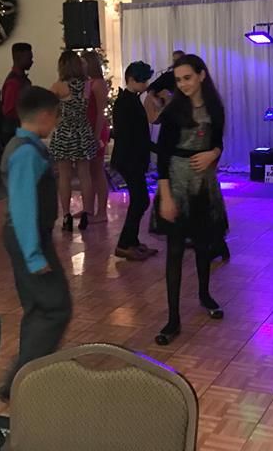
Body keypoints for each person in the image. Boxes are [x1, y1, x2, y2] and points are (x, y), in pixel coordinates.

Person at [0, 86, 72, 402]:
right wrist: (34, 255)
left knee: (38, 307)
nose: (56, 122)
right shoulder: (26, 153)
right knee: (55, 307)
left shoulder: (25, 146)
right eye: (55, 116)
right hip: (27, 238)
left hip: (27, 237)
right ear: (44, 115)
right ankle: (21, 381)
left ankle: (26, 379)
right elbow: (23, 206)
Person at [154, 54, 228, 346]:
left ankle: (205, 294)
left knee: (203, 244)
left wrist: (213, 153)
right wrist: (166, 197)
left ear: (201, 76)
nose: (183, 84)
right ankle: (173, 318)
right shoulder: (173, 111)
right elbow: (162, 157)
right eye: (179, 80)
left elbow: (219, 142)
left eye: (187, 78)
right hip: (177, 184)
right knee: (174, 251)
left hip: (204, 185)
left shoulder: (215, 107)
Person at [111, 61, 158, 262]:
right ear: (131, 79)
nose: (145, 85)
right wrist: (155, 148)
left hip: (132, 158)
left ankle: (132, 241)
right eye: (142, 81)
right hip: (129, 159)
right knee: (140, 200)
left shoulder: (131, 99)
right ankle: (124, 244)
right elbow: (131, 135)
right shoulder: (125, 103)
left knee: (140, 200)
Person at [50, 51, 97, 232]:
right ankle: (86, 213)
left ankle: (67, 216)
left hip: (65, 132)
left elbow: (47, 106)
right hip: (83, 131)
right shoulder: (87, 85)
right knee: (85, 175)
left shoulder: (58, 86)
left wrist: (57, 120)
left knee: (64, 176)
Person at [82, 50, 110, 221]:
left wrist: (97, 135)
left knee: (97, 170)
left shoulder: (98, 83)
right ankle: (89, 209)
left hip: (97, 129)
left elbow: (101, 112)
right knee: (90, 171)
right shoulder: (88, 82)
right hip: (88, 128)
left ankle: (102, 212)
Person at [1, 42, 33, 144]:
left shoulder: (22, 80)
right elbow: (9, 111)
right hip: (14, 132)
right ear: (19, 57)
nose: (32, 61)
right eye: (29, 58)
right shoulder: (13, 83)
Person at [145, 49, 185, 123]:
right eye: (174, 60)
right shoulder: (168, 76)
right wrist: (154, 99)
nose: (176, 63)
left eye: (178, 60)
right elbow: (151, 87)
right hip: (167, 117)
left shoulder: (187, 79)